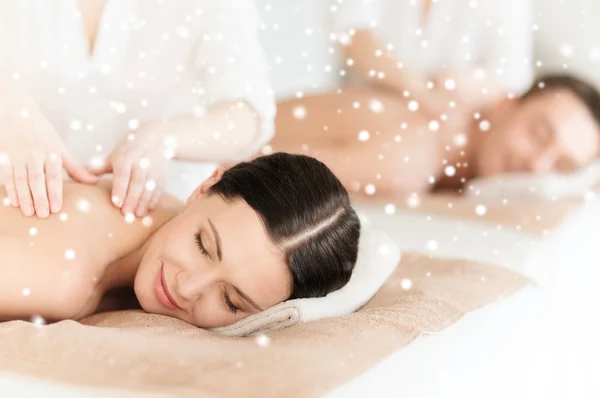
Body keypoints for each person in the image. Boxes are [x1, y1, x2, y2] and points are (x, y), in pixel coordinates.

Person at [0, 153, 361, 329]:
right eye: (203, 245)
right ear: (204, 186)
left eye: (231, 301)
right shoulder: (63, 272)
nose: (187, 288)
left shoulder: (166, 214)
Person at [0, 0, 275, 219]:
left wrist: (165, 137)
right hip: (16, 220)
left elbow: (249, 116)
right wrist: (8, 107)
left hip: (152, 237)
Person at [268, 74, 600, 197]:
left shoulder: (438, 162)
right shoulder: (412, 157)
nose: (536, 165)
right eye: (538, 134)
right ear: (504, 106)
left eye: (562, 165)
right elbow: (241, 171)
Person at [333, 0, 533, 114]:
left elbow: (512, 82)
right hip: (369, 108)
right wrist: (420, 91)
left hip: (453, 124)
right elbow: (352, 36)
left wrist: (462, 85)